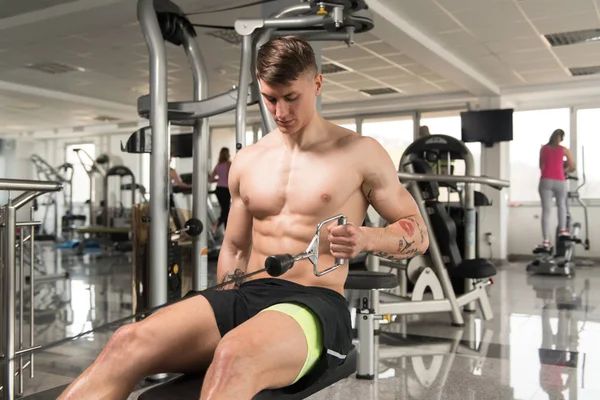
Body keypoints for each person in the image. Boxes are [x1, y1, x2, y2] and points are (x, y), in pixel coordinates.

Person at [58, 36, 429, 400]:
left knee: (234, 354)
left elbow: (418, 234)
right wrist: (219, 310)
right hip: (247, 293)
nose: (281, 112)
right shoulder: (249, 160)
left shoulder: (360, 152)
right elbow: (234, 247)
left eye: (291, 98)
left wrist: (365, 239)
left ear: (317, 84)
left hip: (314, 302)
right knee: (127, 342)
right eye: (270, 99)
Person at [538, 128, 575, 251]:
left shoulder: (543, 148)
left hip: (546, 180)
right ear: (562, 138)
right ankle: (562, 230)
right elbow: (572, 166)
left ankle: (546, 240)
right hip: (559, 180)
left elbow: (541, 166)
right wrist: (563, 170)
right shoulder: (564, 149)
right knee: (561, 206)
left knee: (547, 210)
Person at [209, 147, 232, 232]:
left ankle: (226, 231)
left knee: (225, 210)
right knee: (226, 210)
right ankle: (217, 224)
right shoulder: (229, 164)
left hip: (218, 189)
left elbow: (211, 179)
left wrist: (219, 179)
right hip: (226, 190)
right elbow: (231, 176)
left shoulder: (218, 165)